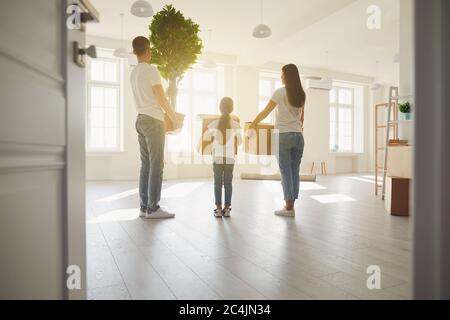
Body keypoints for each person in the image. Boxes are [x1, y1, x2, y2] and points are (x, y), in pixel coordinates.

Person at [130, 36, 180, 219]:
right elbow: (160, 99)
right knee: (157, 165)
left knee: (146, 164)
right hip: (153, 121)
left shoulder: (134, 73)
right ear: (148, 50)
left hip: (141, 119)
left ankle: (144, 207)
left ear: (135, 52)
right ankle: (154, 208)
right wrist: (173, 117)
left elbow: (152, 96)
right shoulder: (151, 70)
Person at [250, 64, 306, 217]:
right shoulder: (302, 94)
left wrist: (253, 124)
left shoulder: (280, 92)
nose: (280, 76)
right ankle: (290, 206)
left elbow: (265, 112)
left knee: (285, 173)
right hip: (298, 137)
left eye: (282, 74)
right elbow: (302, 119)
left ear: (287, 76)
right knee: (294, 171)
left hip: (283, 136)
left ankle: (288, 209)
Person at [203, 97, 242, 218]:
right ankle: (227, 209)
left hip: (217, 157)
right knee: (228, 183)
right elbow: (239, 141)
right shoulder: (235, 125)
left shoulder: (213, 124)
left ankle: (218, 209)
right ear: (232, 108)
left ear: (220, 108)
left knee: (217, 183)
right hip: (230, 157)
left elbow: (207, 139)